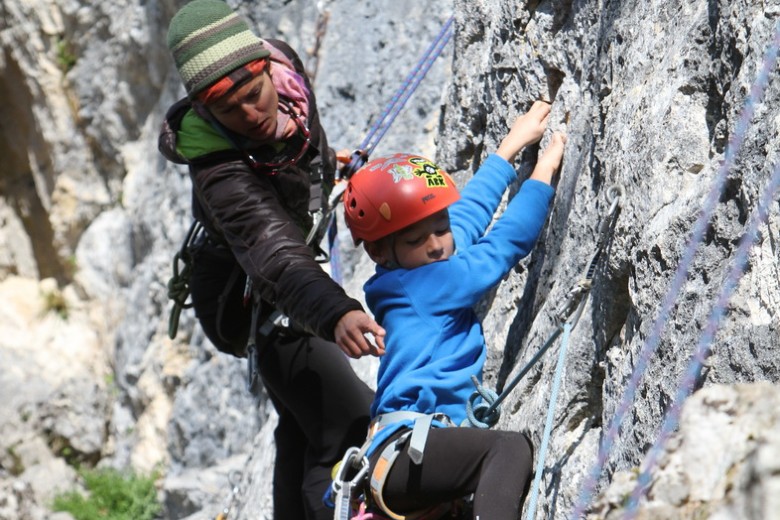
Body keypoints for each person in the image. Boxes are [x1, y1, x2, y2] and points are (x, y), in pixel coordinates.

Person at [158, 1, 385, 518]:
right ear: (206, 112)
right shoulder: (216, 168)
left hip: (285, 287)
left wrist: (327, 165)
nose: (251, 115)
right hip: (253, 302)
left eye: (254, 95)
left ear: (266, 67)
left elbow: (300, 147)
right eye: (229, 111)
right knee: (348, 426)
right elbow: (272, 251)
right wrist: (334, 311)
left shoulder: (285, 72)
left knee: (304, 431)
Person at [341, 100, 566, 519]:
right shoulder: (424, 284)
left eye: (437, 229)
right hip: (408, 449)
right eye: (415, 240)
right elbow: (499, 248)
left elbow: (463, 221)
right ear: (379, 252)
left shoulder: (415, 268)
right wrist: (543, 175)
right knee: (507, 448)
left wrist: (509, 148)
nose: (435, 244)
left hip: (408, 455)